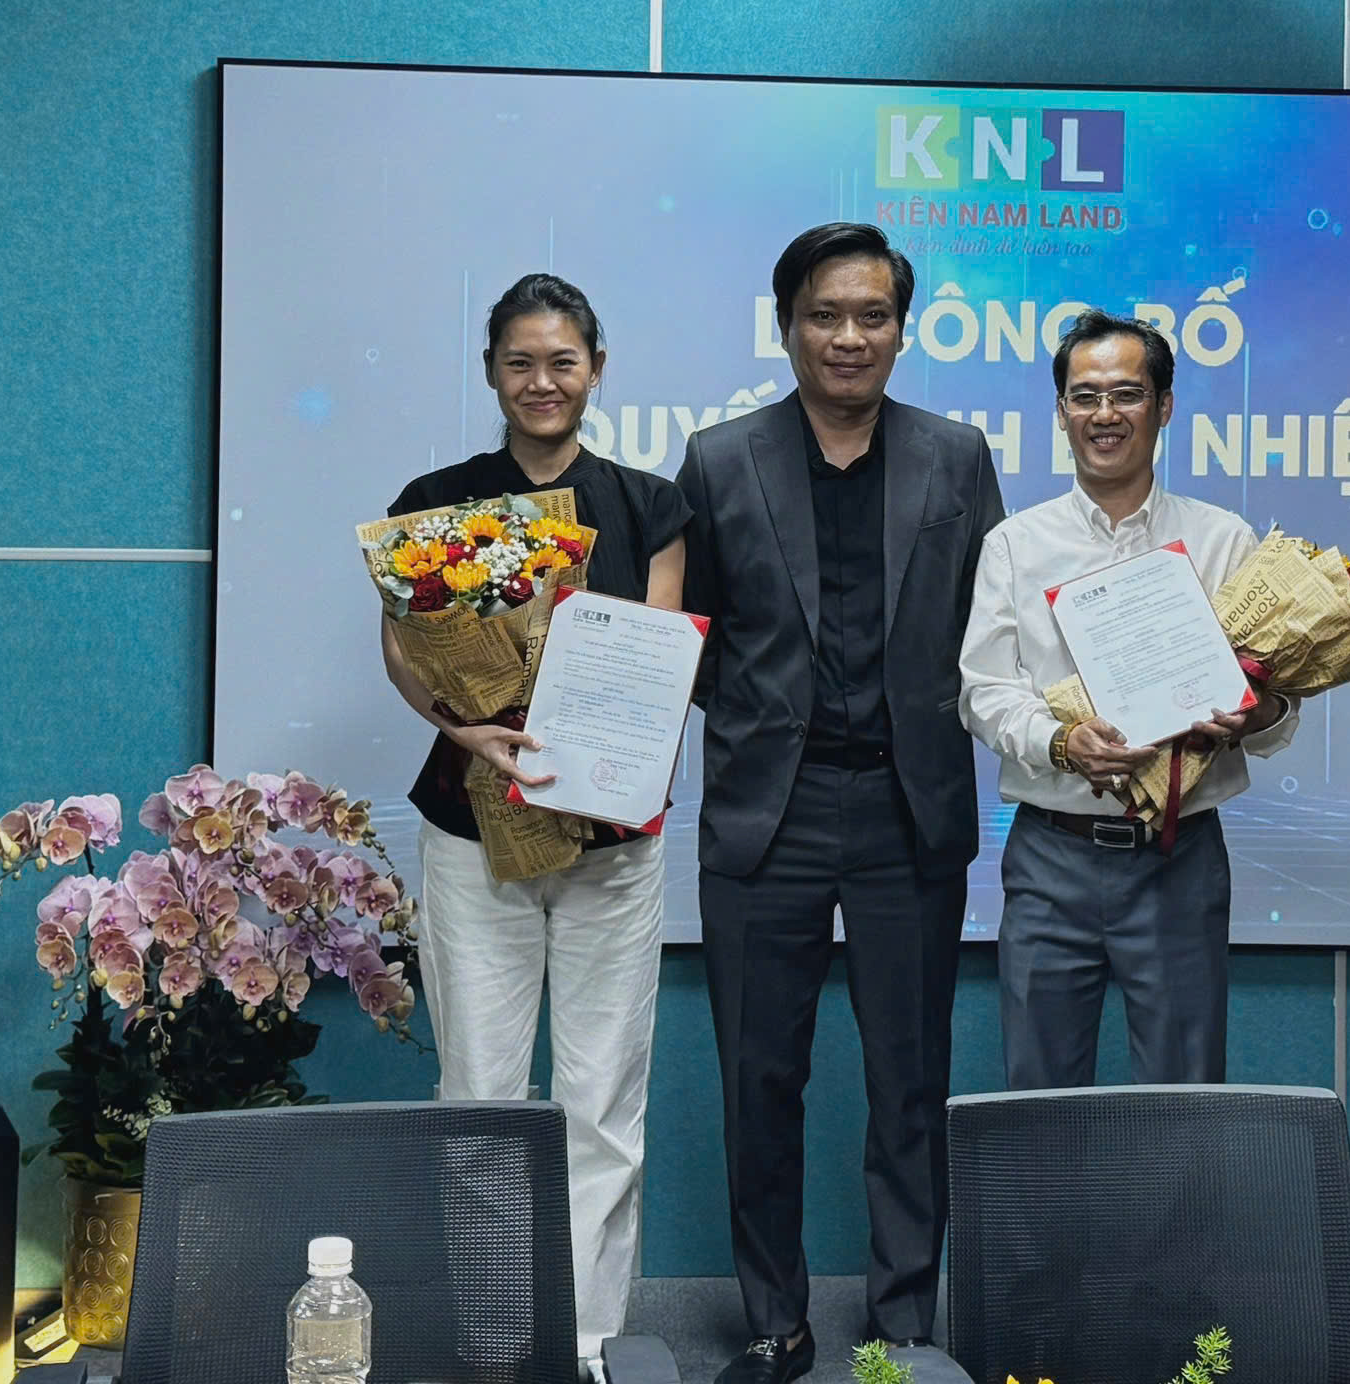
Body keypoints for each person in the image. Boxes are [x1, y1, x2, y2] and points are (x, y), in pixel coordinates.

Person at [676, 223, 1005, 1384]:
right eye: (825, 315)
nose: (849, 336)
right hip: (768, 810)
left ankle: (904, 1321)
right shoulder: (720, 459)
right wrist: (764, 724)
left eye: (872, 315)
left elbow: (992, 626)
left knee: (908, 1079)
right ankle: (775, 1321)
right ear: (786, 327)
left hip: (907, 808)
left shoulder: (955, 457)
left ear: (903, 330)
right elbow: (689, 640)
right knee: (760, 1077)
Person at [378, 271, 689, 1368]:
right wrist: (463, 727)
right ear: (490, 373)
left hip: (610, 838)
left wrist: (596, 723)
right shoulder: (438, 502)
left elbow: (653, 660)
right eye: (520, 362)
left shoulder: (650, 504)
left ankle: (592, 1339)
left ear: (596, 370)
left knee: (602, 1098)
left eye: (563, 362)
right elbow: (403, 652)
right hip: (471, 828)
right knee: (479, 1093)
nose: (542, 381)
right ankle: (495, 1338)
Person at [959, 309, 1297, 1089]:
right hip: (1051, 856)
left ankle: (1179, 1185)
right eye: (1084, 397)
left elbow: (1279, 706)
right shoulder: (1015, 545)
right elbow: (984, 690)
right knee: (1039, 1098)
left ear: (1164, 405)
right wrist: (1059, 742)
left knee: (1185, 1100)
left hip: (1179, 859)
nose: (1103, 414)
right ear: (1061, 412)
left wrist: (1257, 713)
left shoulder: (1223, 541)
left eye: (1126, 394)